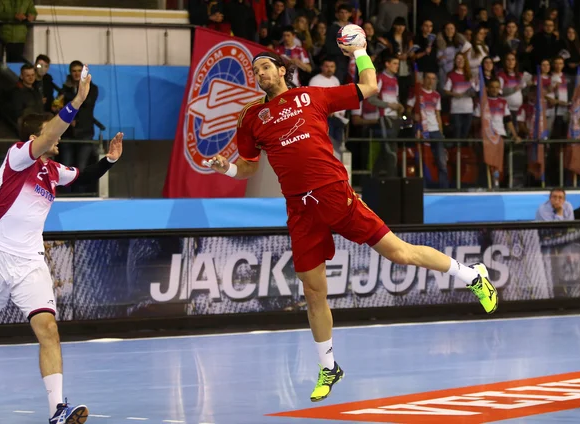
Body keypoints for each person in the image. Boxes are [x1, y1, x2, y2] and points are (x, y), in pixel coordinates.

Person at [206, 44, 497, 402]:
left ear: (282, 70)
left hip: (335, 194)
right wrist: (227, 168)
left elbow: (370, 86)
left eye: (266, 67)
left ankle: (471, 275)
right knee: (313, 292)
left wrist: (360, 49)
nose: (260, 73)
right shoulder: (252, 117)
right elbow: (248, 166)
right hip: (300, 209)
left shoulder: (312, 96)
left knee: (400, 254)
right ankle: (329, 367)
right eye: (256, 71)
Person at [0, 65, 124, 424]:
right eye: (51, 135)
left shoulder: (52, 171)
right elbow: (51, 131)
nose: (58, 140)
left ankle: (57, 409)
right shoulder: (18, 158)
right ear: (35, 137)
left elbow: (85, 177)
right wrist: (78, 100)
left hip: (29, 264)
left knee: (49, 330)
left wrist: (110, 160)